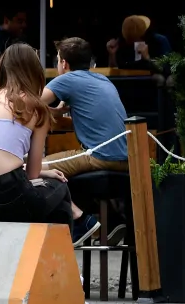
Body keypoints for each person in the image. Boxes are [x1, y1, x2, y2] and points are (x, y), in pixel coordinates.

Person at [0, 44, 73, 229]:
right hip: (9, 196)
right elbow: (32, 174)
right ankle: (65, 247)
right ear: (34, 70)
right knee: (60, 188)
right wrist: (44, 174)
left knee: (52, 205)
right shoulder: (36, 106)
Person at [42, 37, 129, 246]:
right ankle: (114, 221)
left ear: (63, 63)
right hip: (125, 157)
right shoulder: (102, 80)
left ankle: (82, 221)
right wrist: (60, 111)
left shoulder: (67, 79)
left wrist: (53, 110)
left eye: (57, 60)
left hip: (100, 156)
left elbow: (31, 104)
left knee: (34, 168)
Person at [106, 15, 172, 84]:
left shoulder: (159, 40)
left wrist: (147, 58)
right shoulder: (123, 42)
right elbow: (115, 73)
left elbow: (166, 69)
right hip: (130, 81)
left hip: (150, 80)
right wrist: (112, 54)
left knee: (160, 78)